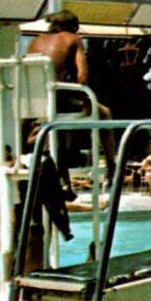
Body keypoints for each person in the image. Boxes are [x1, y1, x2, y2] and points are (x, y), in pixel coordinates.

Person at [27, 9, 116, 181]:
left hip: (34, 101)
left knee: (59, 127)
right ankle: (112, 167)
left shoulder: (34, 42)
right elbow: (82, 76)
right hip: (57, 97)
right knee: (104, 113)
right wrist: (85, 99)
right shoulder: (72, 39)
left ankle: (63, 178)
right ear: (74, 26)